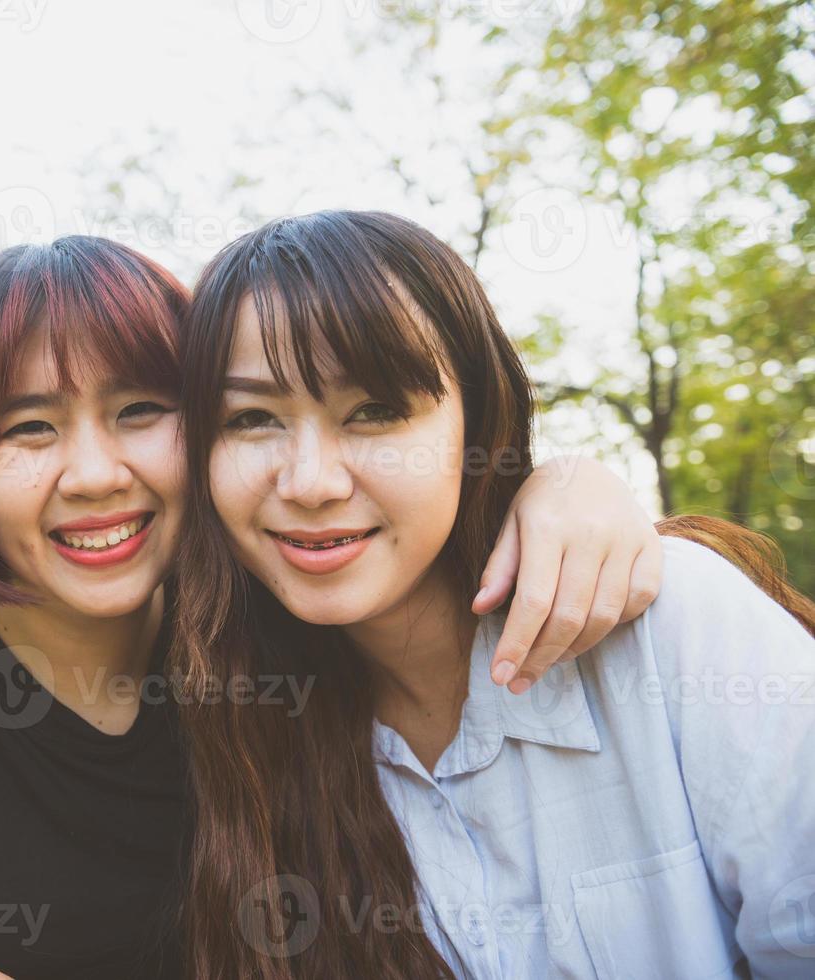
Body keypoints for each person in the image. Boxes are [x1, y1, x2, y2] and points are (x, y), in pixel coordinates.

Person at [0, 236, 668, 980]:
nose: (92, 473)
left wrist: (566, 484)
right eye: (29, 427)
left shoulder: (282, 623)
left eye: (137, 411)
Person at [174, 209, 815, 979]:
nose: (310, 482)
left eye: (374, 411)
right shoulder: (229, 730)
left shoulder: (666, 623)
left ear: (480, 420)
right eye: (251, 418)